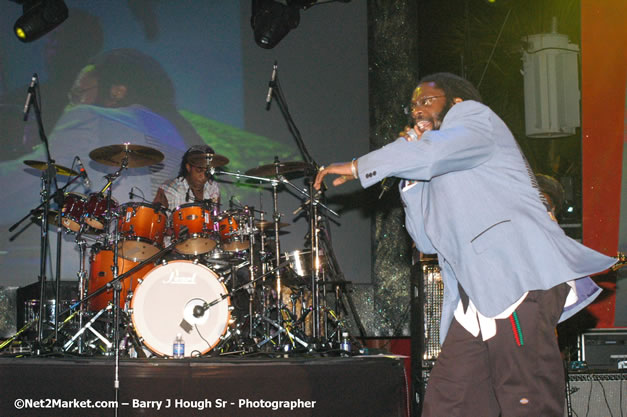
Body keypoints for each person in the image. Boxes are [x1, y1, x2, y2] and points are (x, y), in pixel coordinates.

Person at [314, 72, 617, 416]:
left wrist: (359, 166)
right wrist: (409, 180)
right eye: (412, 106)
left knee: (525, 399)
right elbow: (426, 239)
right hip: (476, 295)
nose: (416, 111)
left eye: (426, 101)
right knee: (451, 402)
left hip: (515, 278)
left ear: (456, 101)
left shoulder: (474, 118)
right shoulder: (436, 158)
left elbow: (433, 153)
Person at [153, 145, 221, 209]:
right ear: (188, 167)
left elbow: (215, 218)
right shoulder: (170, 188)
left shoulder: (213, 187)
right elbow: (157, 219)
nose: (203, 176)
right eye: (199, 170)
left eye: (207, 171)